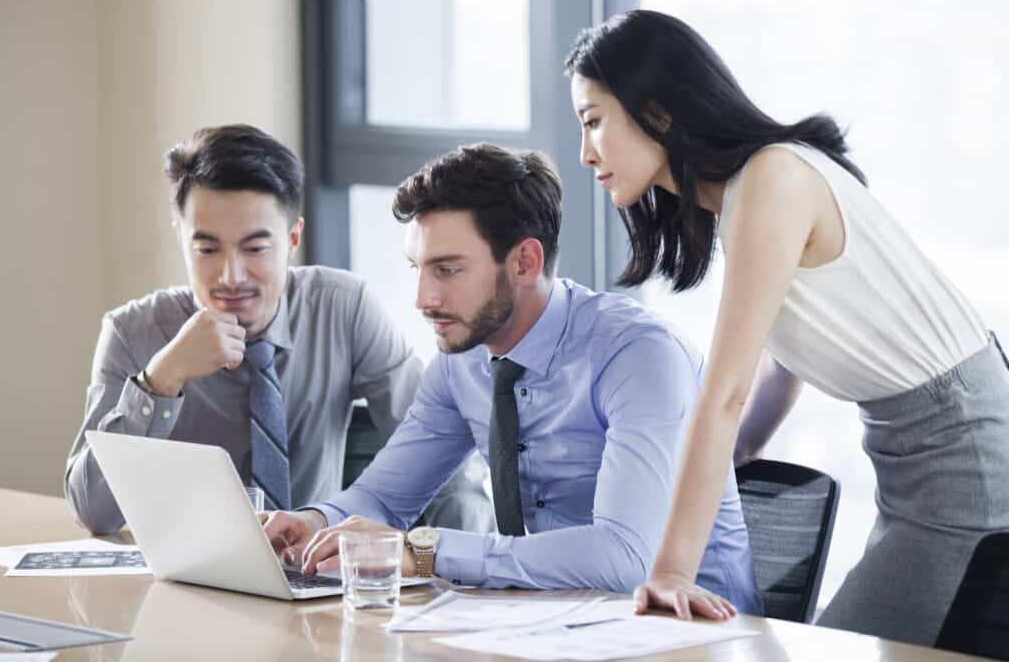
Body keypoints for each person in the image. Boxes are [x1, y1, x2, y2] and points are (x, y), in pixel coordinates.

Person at [564, 10, 1009, 645]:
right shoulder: (749, 192)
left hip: (961, 458)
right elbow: (782, 367)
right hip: (922, 457)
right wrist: (734, 460)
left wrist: (670, 573)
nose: (585, 153)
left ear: (657, 111)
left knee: (838, 647)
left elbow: (725, 392)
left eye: (593, 121)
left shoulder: (771, 178)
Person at [261, 143, 762, 610]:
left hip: (694, 635)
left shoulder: (639, 357)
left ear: (525, 261)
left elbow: (625, 556)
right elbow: (383, 498)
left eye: (447, 270)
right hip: (552, 624)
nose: (422, 299)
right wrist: (316, 521)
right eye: (417, 268)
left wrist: (427, 550)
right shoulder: (460, 364)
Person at [64, 124, 491, 536]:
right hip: (185, 586)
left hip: (316, 577)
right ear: (181, 239)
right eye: (207, 248)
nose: (231, 276)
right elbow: (94, 514)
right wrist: (159, 382)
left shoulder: (343, 308)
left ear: (292, 239)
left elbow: (441, 455)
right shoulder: (132, 332)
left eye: (255, 248)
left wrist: (460, 579)